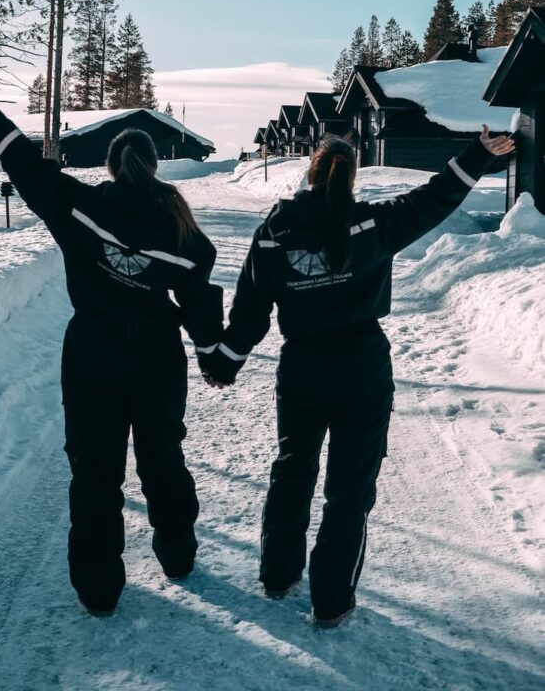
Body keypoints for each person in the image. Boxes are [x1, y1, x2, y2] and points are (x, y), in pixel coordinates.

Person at [199, 126, 514, 627]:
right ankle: (331, 601)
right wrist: (476, 154)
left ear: (310, 171)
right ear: (350, 178)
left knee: (292, 468)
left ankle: (278, 575)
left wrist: (224, 361)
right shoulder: (373, 223)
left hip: (303, 367)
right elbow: (435, 198)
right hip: (363, 367)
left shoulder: (275, 232)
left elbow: (251, 311)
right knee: (349, 490)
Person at [0, 91, 224, 617]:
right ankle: (178, 554)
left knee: (95, 471)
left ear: (111, 165)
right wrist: (213, 356)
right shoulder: (184, 232)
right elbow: (199, 301)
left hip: (92, 356)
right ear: (153, 164)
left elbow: (28, 169)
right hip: (156, 362)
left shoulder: (81, 207)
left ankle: (98, 588)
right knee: (162, 457)